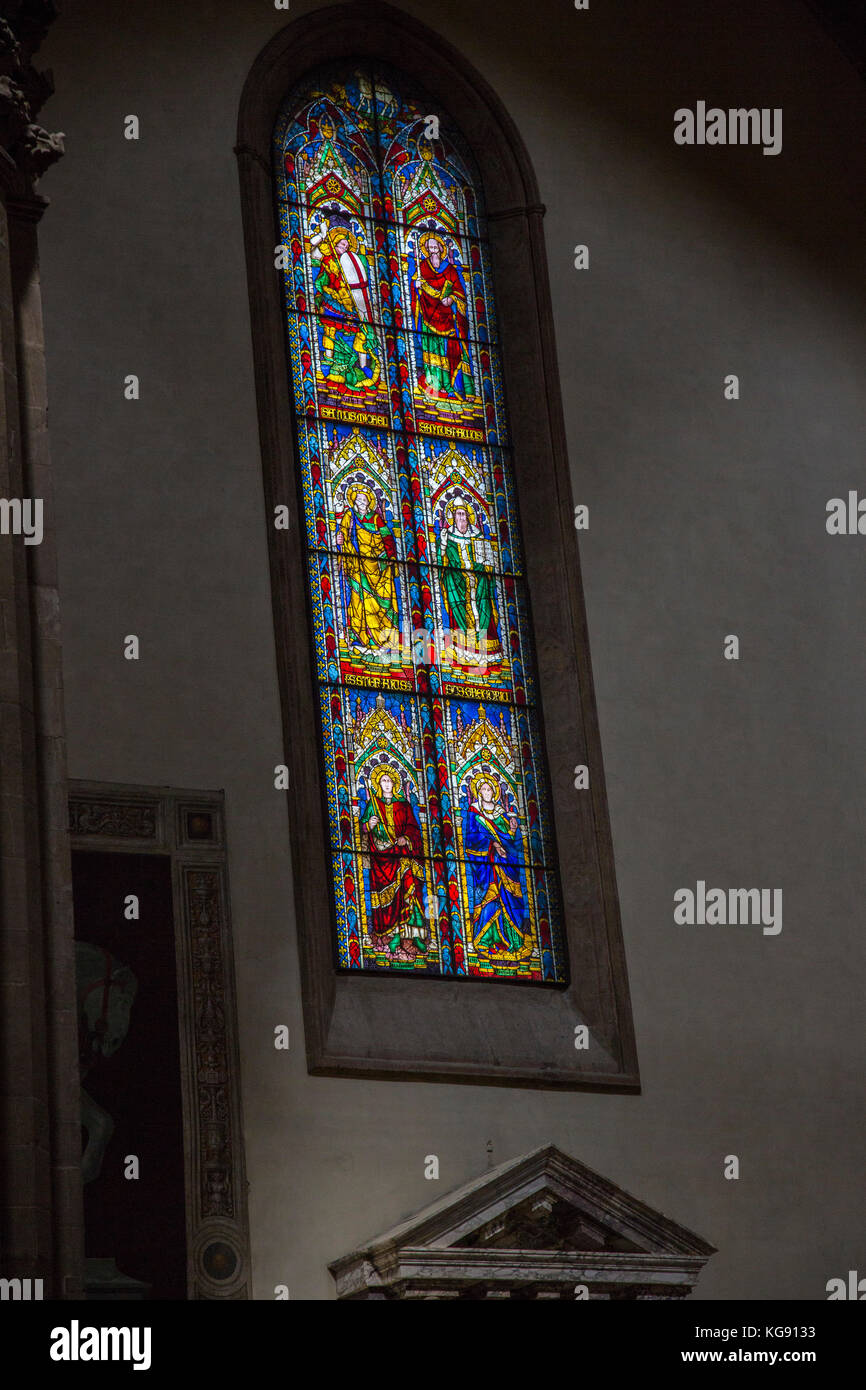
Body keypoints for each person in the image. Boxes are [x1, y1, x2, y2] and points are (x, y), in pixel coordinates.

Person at [361, 767, 427, 962]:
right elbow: (362, 828)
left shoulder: (403, 805)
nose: (387, 784)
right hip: (381, 859)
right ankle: (387, 936)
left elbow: (414, 828)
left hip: (403, 856)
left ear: (395, 783)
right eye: (383, 781)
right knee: (385, 901)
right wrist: (369, 825)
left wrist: (407, 838)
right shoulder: (373, 805)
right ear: (378, 784)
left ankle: (410, 937)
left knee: (409, 888)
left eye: (390, 780)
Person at [462, 775, 530, 962]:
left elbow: (512, 843)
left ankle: (514, 940)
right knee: (489, 902)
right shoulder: (474, 813)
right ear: (478, 792)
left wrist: (512, 831)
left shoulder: (502, 814)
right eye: (483, 789)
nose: (486, 792)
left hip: (506, 868)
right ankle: (484, 939)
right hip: (486, 871)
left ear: (495, 792)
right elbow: (471, 839)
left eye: (489, 789)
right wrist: (492, 844)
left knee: (510, 901)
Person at [310, 220, 380, 391]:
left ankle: (363, 366)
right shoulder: (328, 258)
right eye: (342, 244)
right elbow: (313, 254)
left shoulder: (351, 261)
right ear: (335, 244)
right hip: (332, 301)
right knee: (330, 328)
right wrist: (322, 236)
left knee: (362, 331)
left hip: (351, 304)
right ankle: (328, 359)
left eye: (347, 246)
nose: (345, 248)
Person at [438, 496, 501, 670]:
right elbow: (441, 561)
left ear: (468, 516)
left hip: (477, 577)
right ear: (453, 516)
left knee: (483, 587)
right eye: (458, 514)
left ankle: (485, 645)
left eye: (464, 514)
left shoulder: (477, 535)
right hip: (457, 579)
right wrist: (443, 544)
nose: (462, 518)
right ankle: (463, 645)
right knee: (452, 581)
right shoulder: (448, 535)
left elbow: (486, 560)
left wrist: (483, 568)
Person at [410, 233, 474, 401]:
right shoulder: (422, 267)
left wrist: (451, 298)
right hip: (428, 316)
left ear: (441, 248)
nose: (432, 251)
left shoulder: (450, 270)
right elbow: (415, 288)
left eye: (435, 247)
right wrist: (415, 285)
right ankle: (434, 387)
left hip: (447, 319)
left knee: (451, 350)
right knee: (432, 353)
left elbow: (459, 292)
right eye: (429, 248)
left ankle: (453, 387)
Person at [338, 485, 398, 654]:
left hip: (376, 565)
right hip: (357, 566)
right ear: (353, 501)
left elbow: (387, 537)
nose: (361, 502)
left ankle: (382, 640)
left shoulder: (376, 519)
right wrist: (339, 540)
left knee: (382, 601)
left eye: (364, 499)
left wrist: (390, 555)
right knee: (358, 600)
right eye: (358, 499)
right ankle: (361, 638)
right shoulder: (350, 516)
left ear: (369, 502)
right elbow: (343, 534)